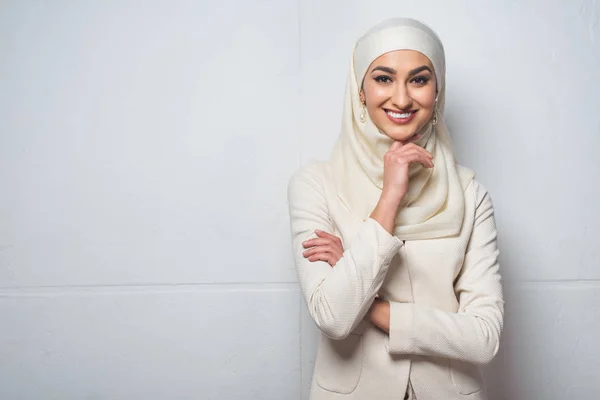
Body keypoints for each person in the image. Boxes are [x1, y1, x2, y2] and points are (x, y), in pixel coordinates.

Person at [287, 18, 504, 400]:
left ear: (438, 91)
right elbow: (334, 318)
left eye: (419, 80)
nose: (401, 99)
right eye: (384, 78)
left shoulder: (471, 195)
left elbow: (483, 338)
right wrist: (390, 197)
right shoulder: (316, 185)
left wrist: (371, 307)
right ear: (360, 90)